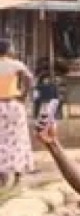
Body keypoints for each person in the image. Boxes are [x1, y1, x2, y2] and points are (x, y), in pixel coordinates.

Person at [0, 39, 35, 188]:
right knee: (18, 140)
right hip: (13, 104)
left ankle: (2, 178)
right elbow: (29, 78)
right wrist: (24, 94)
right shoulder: (15, 64)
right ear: (8, 50)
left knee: (1, 142)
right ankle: (18, 176)